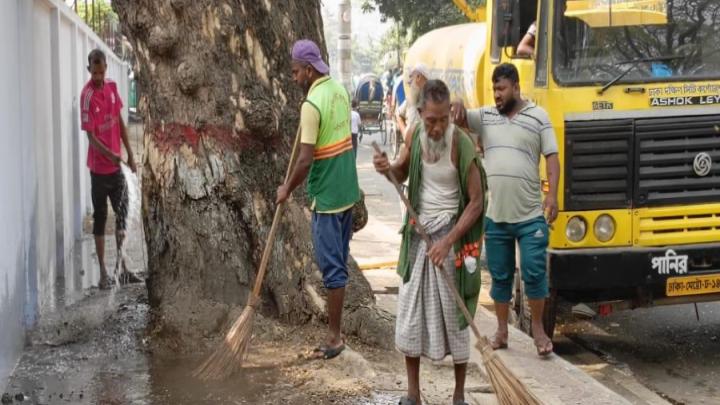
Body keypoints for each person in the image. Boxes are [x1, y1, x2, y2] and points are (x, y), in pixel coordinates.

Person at [374, 80, 485, 405]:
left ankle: (459, 395)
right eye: (430, 120)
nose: (436, 127)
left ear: (450, 113)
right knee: (410, 316)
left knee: (456, 317)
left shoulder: (461, 144)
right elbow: (401, 172)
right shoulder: (414, 137)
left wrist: (448, 241)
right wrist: (386, 169)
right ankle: (413, 394)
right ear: (420, 114)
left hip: (451, 238)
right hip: (419, 237)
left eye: (442, 120)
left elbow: (476, 202)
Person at [452, 63, 560, 356]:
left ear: (515, 86)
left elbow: (552, 157)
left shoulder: (539, 117)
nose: (497, 95)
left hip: (530, 216)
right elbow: (458, 116)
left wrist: (551, 196)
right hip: (496, 216)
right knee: (499, 276)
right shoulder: (486, 117)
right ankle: (501, 330)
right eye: (494, 90)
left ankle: (538, 330)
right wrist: (458, 104)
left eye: (501, 89)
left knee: (535, 272)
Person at [277, 39, 360, 360]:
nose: (294, 78)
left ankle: (335, 337)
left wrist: (286, 188)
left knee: (333, 271)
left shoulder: (311, 105)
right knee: (338, 264)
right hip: (348, 194)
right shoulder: (338, 90)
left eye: (296, 72)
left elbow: (304, 160)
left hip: (327, 199)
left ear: (309, 70)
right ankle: (336, 333)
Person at [80, 49, 141, 290]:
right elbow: (91, 137)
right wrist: (111, 155)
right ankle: (104, 274)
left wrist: (130, 155)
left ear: (106, 68)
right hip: (98, 170)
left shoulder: (112, 89)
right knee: (100, 218)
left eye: (101, 72)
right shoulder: (87, 97)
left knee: (123, 215)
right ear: (89, 70)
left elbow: (121, 124)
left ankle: (123, 269)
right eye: (94, 73)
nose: (98, 76)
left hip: (117, 170)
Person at [395, 63, 430, 142]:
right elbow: (398, 114)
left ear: (418, 77)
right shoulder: (410, 99)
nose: (408, 82)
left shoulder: (432, 99)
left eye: (411, 77)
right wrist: (405, 133)